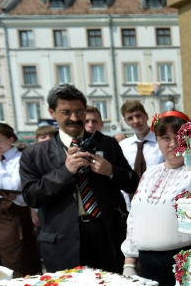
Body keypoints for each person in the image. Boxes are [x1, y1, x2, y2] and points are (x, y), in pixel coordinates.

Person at [20, 83, 140, 274]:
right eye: (66, 112)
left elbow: (133, 182)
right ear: (52, 112)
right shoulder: (34, 153)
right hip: (62, 242)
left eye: (79, 112)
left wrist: (111, 171)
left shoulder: (107, 143)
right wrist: (65, 172)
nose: (74, 118)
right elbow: (31, 196)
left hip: (106, 235)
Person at [122, 113, 191, 286]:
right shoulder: (150, 174)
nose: (173, 144)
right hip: (147, 265)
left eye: (179, 137)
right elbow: (134, 218)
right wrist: (129, 264)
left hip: (185, 263)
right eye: (165, 138)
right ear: (157, 139)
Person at [0, 123, 41, 277]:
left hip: (12, 212)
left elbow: (11, 186)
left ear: (10, 139)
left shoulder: (20, 158)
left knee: (16, 258)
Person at [119, 100, 164, 179]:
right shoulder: (123, 146)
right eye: (130, 118)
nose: (136, 121)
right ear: (126, 122)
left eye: (138, 116)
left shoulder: (162, 142)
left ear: (146, 116)